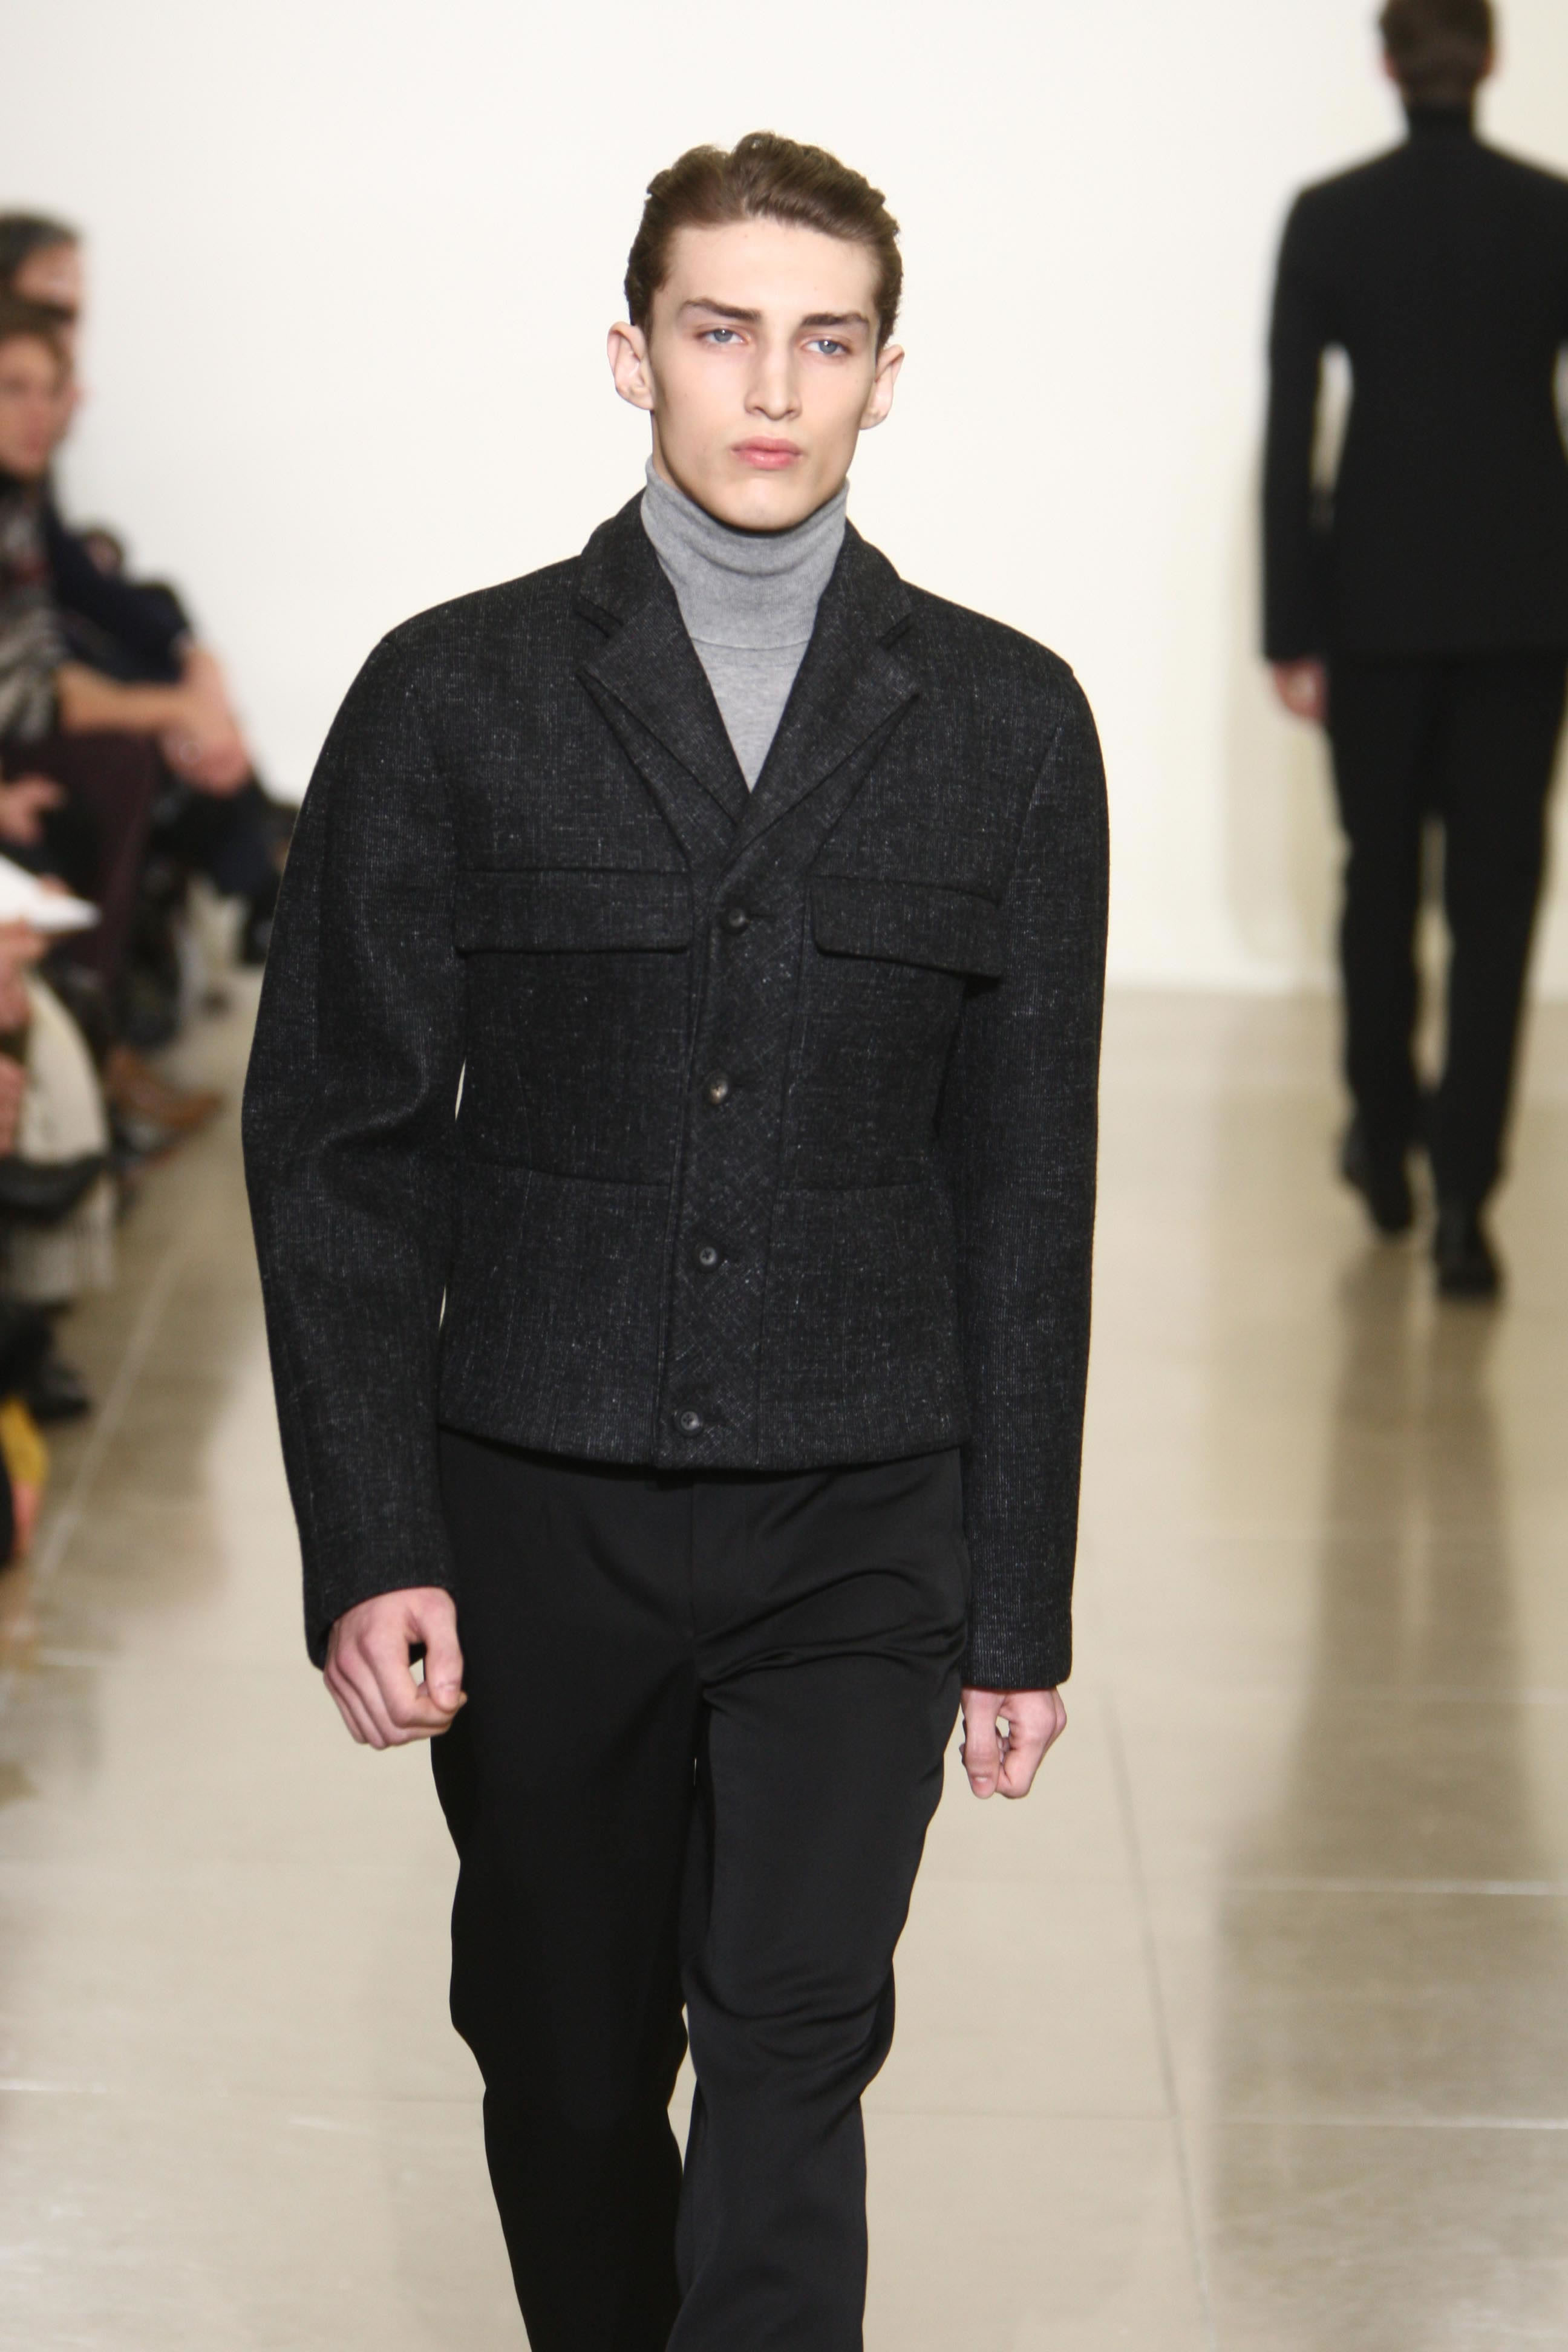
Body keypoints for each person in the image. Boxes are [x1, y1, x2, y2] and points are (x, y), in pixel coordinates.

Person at [244, 131, 1107, 2351]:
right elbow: (340, 1143)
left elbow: (1028, 1189)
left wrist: (1016, 1598)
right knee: (564, 2064)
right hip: (537, 1502)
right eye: (723, 332)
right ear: (634, 352)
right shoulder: (452, 696)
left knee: (798, 2044)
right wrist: (371, 1535)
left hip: (862, 1506)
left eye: (827, 340)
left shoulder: (1008, 725)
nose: (773, 387)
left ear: (887, 373)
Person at [1263, 0, 1568, 1299]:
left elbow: (1294, 426)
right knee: (1497, 902)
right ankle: (1463, 1205)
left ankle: (1383, 1141)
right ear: (1489, 58)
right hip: (1526, 603)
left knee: (1377, 882)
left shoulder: (1331, 215)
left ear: (1387, 61)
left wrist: (1290, 623)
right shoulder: (1552, 213)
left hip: (1375, 603)